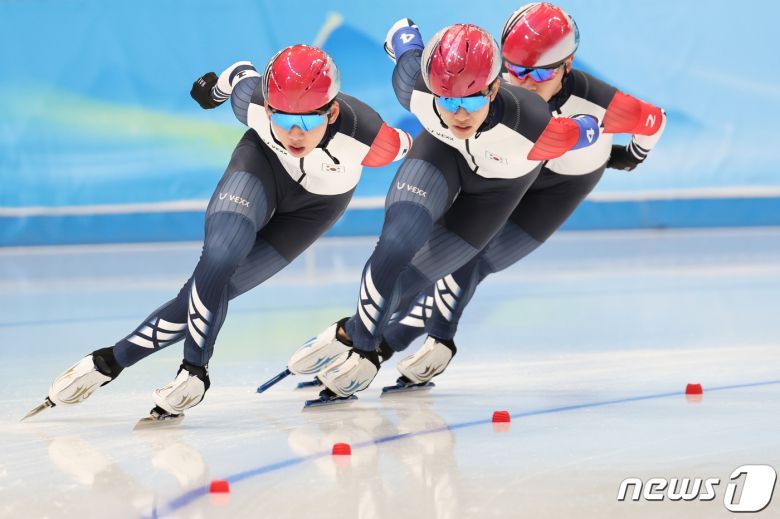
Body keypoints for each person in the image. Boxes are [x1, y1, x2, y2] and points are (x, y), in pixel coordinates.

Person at [24, 45, 411, 423]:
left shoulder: (373, 140)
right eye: (281, 118)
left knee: (212, 291)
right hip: (260, 170)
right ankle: (193, 371)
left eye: (308, 121)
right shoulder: (254, 101)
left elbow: (426, 143)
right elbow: (239, 73)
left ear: (333, 111)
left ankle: (110, 360)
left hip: (314, 210)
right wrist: (212, 91)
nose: (294, 132)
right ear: (269, 108)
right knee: (220, 257)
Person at [285, 21, 602, 405]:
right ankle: (363, 346)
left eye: (470, 101)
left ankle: (367, 335)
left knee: (427, 274)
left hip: (495, 193)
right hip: (442, 156)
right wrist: (405, 36)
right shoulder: (415, 89)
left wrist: (589, 128)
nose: (459, 114)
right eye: (448, 101)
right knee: (397, 244)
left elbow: (581, 131)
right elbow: (404, 41)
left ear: (495, 87)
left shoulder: (532, 123)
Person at [378, 3, 667, 391]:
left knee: (475, 262)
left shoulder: (599, 103)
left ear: (568, 64)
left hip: (563, 185)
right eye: (516, 70)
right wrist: (404, 41)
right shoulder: (491, 84)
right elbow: (419, 75)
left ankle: (405, 341)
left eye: (541, 72)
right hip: (513, 171)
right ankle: (376, 337)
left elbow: (653, 119)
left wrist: (630, 157)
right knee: (446, 249)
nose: (527, 82)